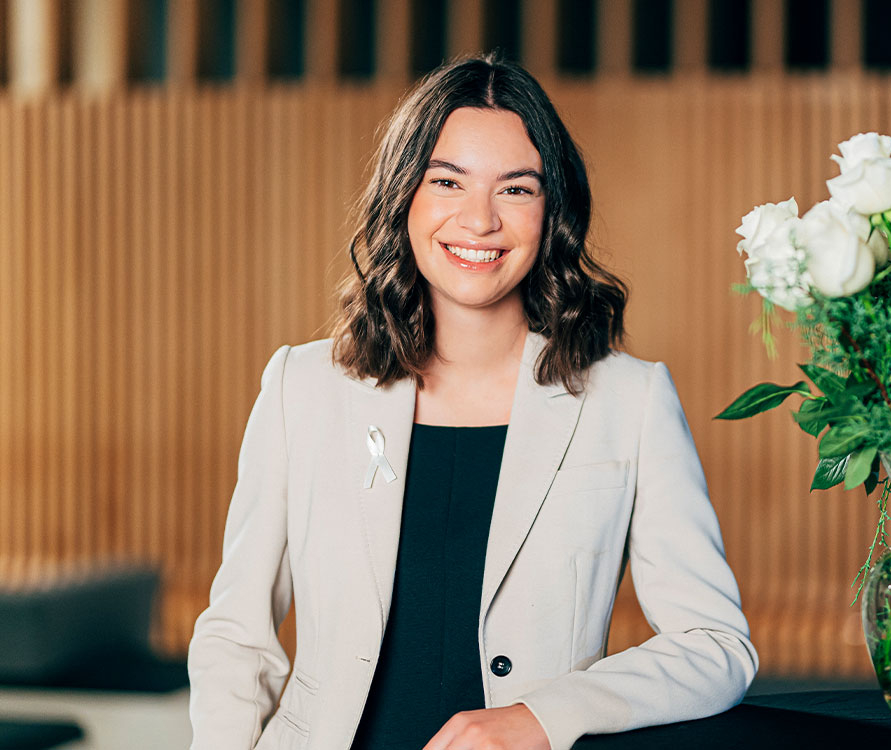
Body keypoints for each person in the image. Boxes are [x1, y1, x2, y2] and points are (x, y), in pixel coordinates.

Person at [187, 54, 757, 750]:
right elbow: (237, 635)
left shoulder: (628, 401)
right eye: (447, 181)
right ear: (405, 197)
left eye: (516, 190)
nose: (479, 219)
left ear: (553, 213)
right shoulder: (301, 387)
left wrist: (542, 718)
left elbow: (715, 646)